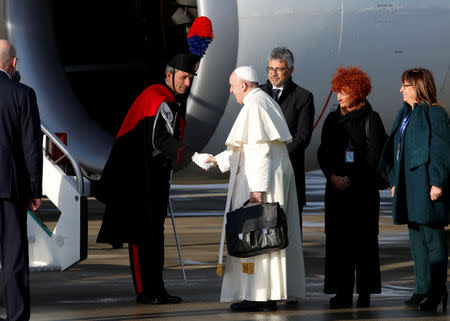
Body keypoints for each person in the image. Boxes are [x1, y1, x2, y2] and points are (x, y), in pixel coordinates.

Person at [95, 53, 211, 305]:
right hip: (137, 180)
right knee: (140, 235)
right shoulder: (156, 99)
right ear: (169, 75)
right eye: (183, 78)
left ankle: (157, 288)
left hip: (154, 178)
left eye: (191, 79)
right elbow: (160, 139)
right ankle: (145, 291)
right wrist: (190, 156)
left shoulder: (168, 101)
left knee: (155, 235)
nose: (188, 84)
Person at [207, 66, 305, 312]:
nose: (231, 91)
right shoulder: (263, 101)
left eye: (232, 86)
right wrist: (217, 160)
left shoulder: (254, 105)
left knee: (260, 235)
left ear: (243, 85)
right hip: (271, 179)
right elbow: (245, 148)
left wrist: (257, 189)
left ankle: (259, 295)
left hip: (263, 183)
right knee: (270, 238)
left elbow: (259, 150)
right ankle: (267, 294)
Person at [379, 68, 450, 311]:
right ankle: (422, 287)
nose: (401, 90)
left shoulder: (435, 113)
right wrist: (394, 179)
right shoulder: (405, 114)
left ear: (419, 87)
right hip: (409, 185)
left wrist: (437, 182)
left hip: (427, 184)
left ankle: (437, 290)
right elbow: (396, 149)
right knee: (416, 239)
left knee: (433, 238)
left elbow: (441, 150)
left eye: (405, 85)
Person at [317, 66, 387, 308]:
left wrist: (352, 179)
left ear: (357, 92)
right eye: (337, 92)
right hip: (336, 192)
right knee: (338, 245)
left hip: (363, 193)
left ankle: (365, 292)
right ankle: (341, 291)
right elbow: (323, 153)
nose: (338, 97)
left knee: (365, 244)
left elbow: (374, 156)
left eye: (343, 92)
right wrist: (333, 176)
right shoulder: (332, 119)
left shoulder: (372, 119)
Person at [0, 39, 42, 321]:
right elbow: (31, 146)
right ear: (13, 63)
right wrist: (35, 189)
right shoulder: (22, 94)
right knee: (14, 257)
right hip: (9, 187)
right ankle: (16, 316)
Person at [260, 47, 315, 230]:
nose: (273, 74)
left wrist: (279, 153)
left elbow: (303, 136)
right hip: (262, 171)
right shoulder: (258, 95)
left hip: (289, 170)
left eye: (279, 69)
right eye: (270, 69)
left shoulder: (303, 97)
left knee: (289, 229)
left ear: (290, 70)